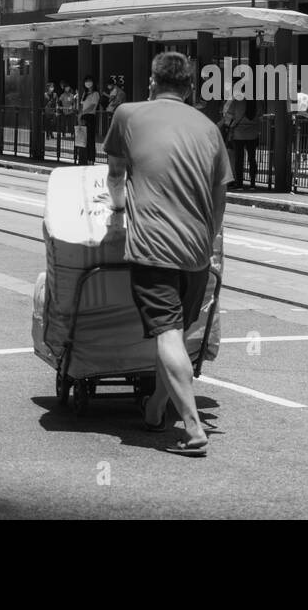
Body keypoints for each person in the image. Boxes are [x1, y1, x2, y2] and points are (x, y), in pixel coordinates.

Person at [103, 52, 231, 457]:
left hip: (153, 248)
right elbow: (220, 195)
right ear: (191, 88)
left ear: (153, 83)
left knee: (167, 334)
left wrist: (119, 208)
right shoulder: (209, 128)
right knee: (173, 333)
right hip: (196, 252)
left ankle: (193, 430)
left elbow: (115, 173)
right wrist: (208, 239)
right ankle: (156, 409)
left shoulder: (128, 114)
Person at [224, 98, 261, 190]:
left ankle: (239, 183)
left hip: (239, 133)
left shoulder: (236, 101)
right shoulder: (258, 101)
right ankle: (253, 183)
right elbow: (260, 115)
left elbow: (229, 115)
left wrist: (228, 125)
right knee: (252, 158)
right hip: (253, 132)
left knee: (239, 159)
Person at [77, 75, 101, 166]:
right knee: (83, 139)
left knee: (90, 139)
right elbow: (82, 106)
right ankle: (84, 159)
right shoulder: (85, 93)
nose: (88, 83)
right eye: (86, 81)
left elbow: (92, 106)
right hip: (84, 116)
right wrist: (80, 115)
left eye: (90, 81)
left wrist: (82, 113)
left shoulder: (96, 93)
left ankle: (91, 159)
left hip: (90, 116)